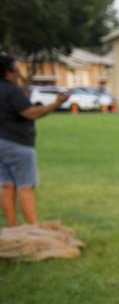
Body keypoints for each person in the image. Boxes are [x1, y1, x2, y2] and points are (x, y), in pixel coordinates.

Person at [0, 54, 69, 227]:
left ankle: (13, 225)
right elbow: (29, 112)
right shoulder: (11, 90)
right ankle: (33, 228)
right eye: (15, 69)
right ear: (9, 72)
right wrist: (56, 103)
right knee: (26, 186)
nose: (17, 72)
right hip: (17, 143)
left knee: (7, 185)